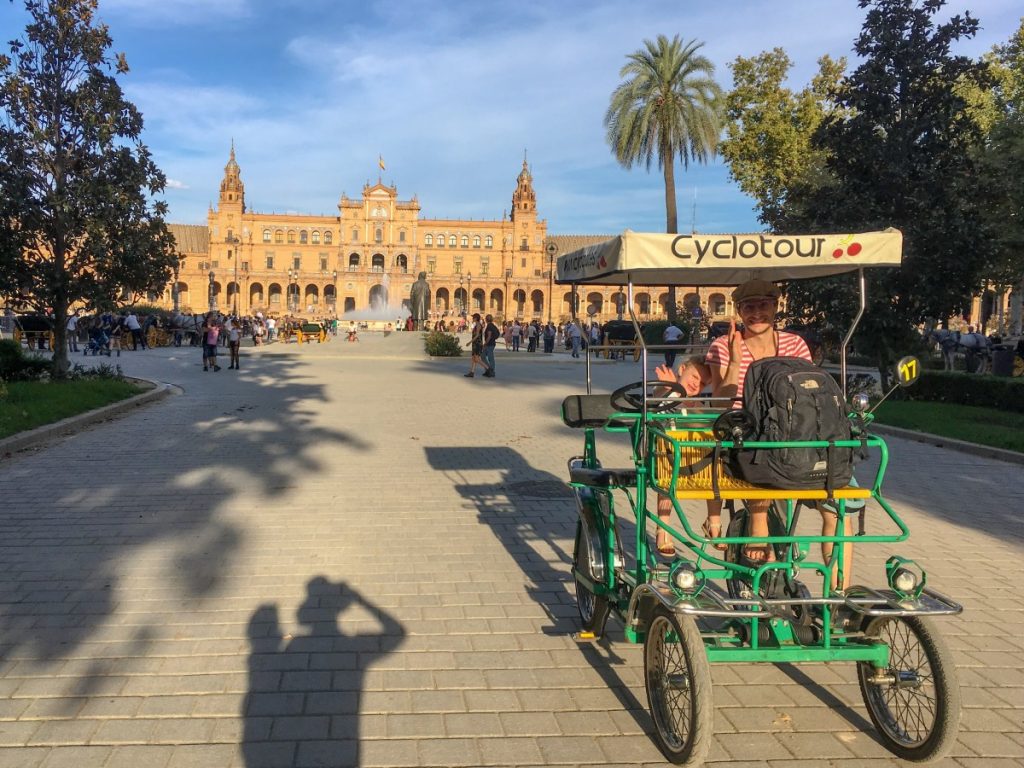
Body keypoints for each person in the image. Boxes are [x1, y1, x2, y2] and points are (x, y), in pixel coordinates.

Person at [705, 280, 852, 585]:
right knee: (757, 462)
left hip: (796, 433)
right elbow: (719, 402)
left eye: (763, 305)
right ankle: (759, 532)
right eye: (749, 306)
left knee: (837, 511)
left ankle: (839, 591)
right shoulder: (722, 345)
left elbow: (810, 394)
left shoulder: (795, 345)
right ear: (738, 311)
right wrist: (734, 360)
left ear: (775, 307)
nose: (756, 313)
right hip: (747, 433)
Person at [652, 358, 713, 555]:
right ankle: (663, 525)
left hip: (696, 456)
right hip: (669, 456)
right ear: (682, 369)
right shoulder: (668, 391)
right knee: (667, 472)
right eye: (695, 377)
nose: (697, 384)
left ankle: (714, 519)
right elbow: (660, 399)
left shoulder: (700, 403)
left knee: (718, 457)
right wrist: (672, 388)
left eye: (703, 383)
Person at [463, 313, 491, 378]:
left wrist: (470, 342)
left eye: (473, 317)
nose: (472, 318)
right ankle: (472, 372)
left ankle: (488, 368)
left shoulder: (478, 325)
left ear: (476, 318)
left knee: (476, 358)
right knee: (473, 358)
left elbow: (477, 335)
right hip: (475, 343)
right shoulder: (477, 325)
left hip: (477, 343)